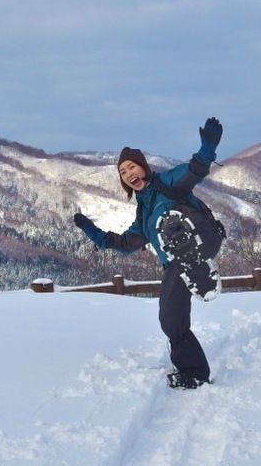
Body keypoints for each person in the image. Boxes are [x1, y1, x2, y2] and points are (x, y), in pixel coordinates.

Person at [73, 117, 225, 390]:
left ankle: (195, 261)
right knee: (169, 320)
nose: (128, 173)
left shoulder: (168, 182)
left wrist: (207, 150)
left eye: (132, 166)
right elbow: (124, 243)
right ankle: (194, 373)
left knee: (170, 224)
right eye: (122, 172)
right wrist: (94, 233)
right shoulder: (142, 216)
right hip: (176, 264)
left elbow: (194, 170)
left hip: (202, 238)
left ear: (143, 167)